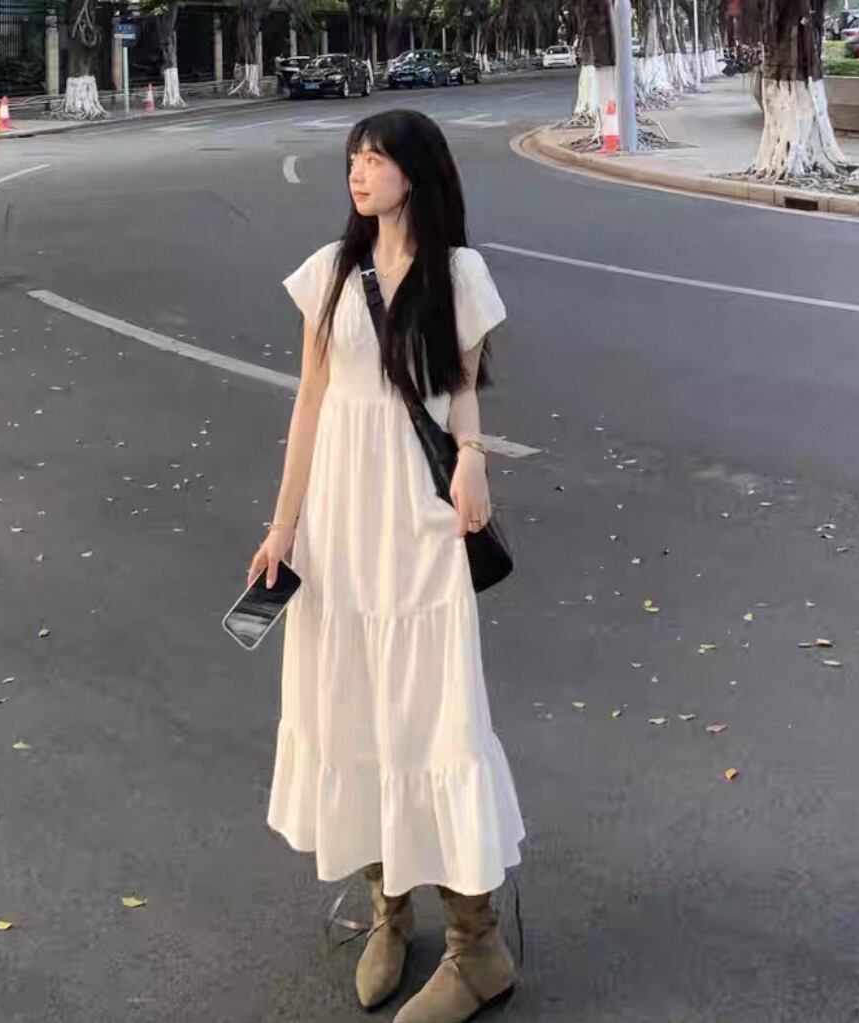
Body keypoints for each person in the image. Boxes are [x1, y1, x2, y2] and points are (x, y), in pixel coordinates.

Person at [247, 109, 525, 1023]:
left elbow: (463, 388)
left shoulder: (458, 274)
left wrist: (473, 456)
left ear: (416, 172)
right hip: (340, 523)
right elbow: (308, 405)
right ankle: (388, 912)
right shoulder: (330, 272)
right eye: (352, 159)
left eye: (374, 159)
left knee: (433, 714)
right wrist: (283, 527)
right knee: (356, 708)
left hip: (417, 523)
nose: (357, 173)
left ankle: (477, 946)